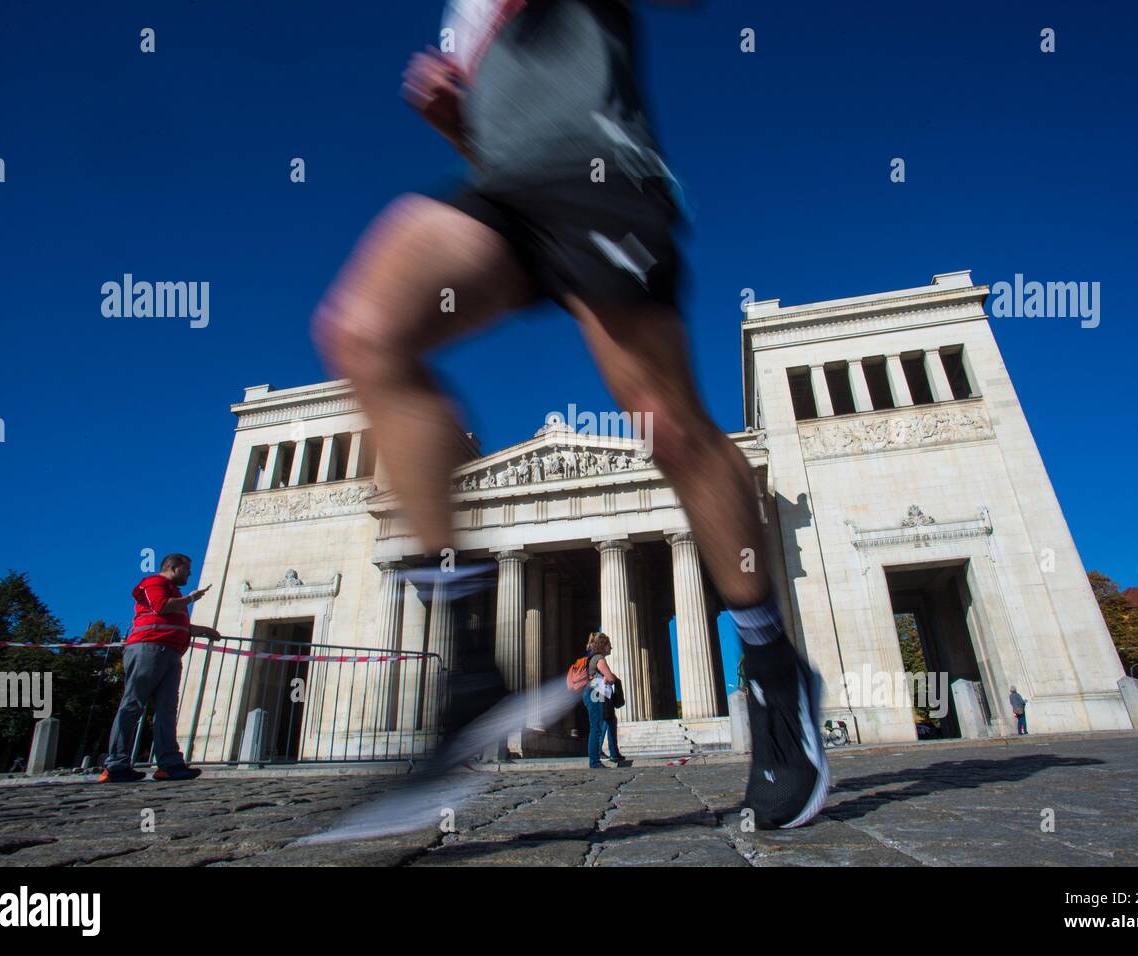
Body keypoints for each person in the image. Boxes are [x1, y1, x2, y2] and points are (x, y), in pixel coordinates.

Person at [311, 0, 828, 833]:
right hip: (502, 193)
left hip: (600, 165)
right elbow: (504, 123)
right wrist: (458, 117)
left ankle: (771, 665)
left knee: (664, 420)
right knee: (365, 333)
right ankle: (472, 662)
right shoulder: (459, 14)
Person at [99, 553, 220, 782]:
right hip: (149, 648)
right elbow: (160, 607)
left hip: (170, 651)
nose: (190, 574)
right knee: (133, 704)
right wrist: (191, 599)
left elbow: (174, 621)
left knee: (167, 709)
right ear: (173, 567)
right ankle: (116, 764)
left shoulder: (175, 592)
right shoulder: (154, 582)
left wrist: (204, 630)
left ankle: (169, 764)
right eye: (187, 570)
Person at [581, 632, 619, 768]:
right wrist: (610, 678)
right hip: (595, 694)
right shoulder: (599, 659)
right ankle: (594, 762)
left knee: (600, 725)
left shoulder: (593, 658)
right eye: (609, 645)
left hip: (591, 693)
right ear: (603, 646)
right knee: (596, 728)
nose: (611, 648)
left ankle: (600, 758)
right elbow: (611, 678)